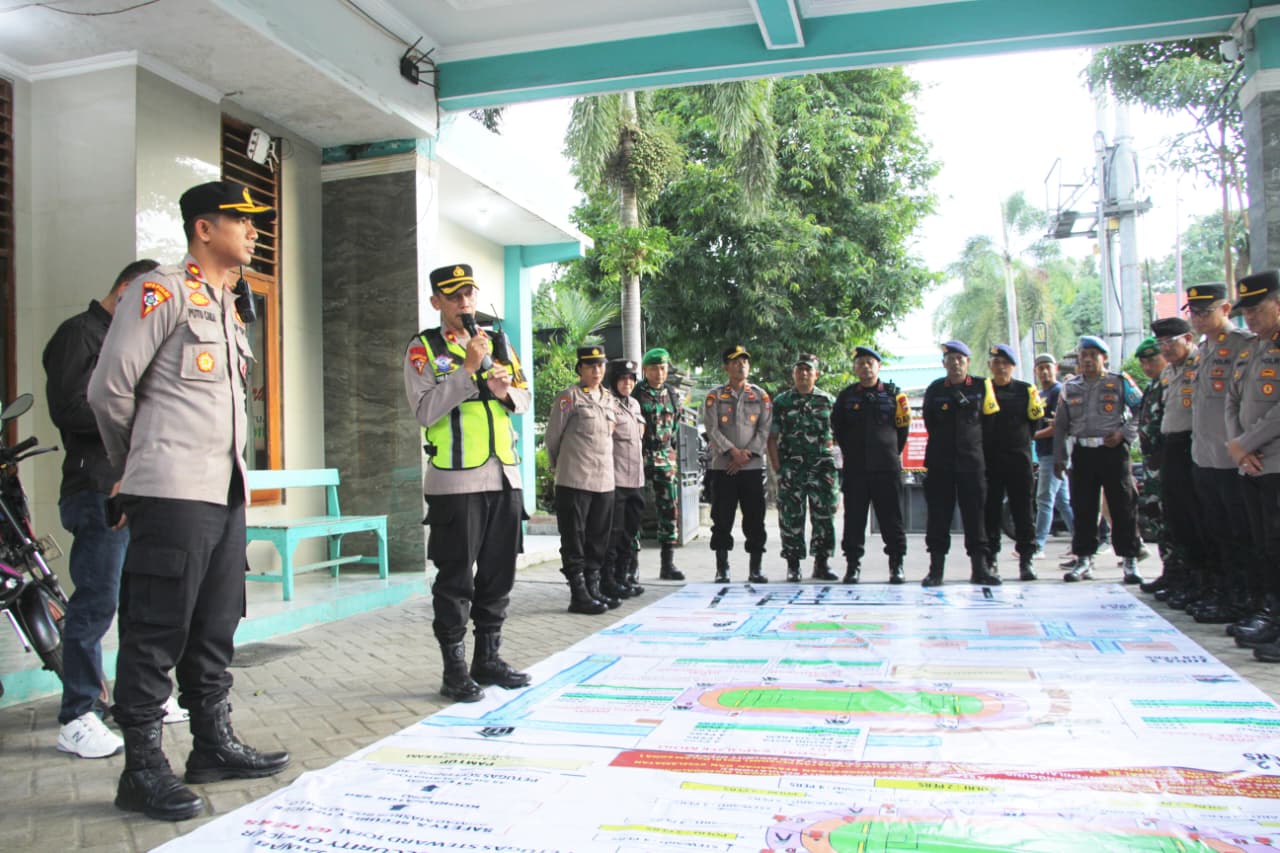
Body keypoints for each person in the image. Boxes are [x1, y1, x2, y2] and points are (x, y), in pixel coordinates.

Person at [87, 181, 289, 821]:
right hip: (170, 491)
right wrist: (134, 467)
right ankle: (142, 768)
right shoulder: (163, 291)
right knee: (154, 631)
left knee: (215, 625)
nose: (254, 231)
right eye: (243, 220)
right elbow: (108, 391)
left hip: (222, 492)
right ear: (204, 229)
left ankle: (212, 745)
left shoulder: (229, 307)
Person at [44, 259, 157, 760]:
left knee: (137, 599)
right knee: (95, 603)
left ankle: (132, 700)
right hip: (94, 488)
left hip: (133, 486)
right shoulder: (79, 334)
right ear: (127, 289)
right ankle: (77, 714)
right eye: (148, 299)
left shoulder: (126, 337)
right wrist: (130, 404)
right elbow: (68, 408)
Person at [405, 263, 533, 705]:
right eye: (454, 296)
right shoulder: (425, 348)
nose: (464, 303)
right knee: (456, 577)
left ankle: (488, 658)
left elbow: (523, 396)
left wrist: (502, 390)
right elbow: (423, 411)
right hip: (455, 481)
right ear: (436, 301)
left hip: (504, 475)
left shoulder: (499, 341)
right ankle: (454, 669)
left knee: (499, 574)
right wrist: (468, 371)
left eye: (469, 295)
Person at [1183, 282, 1258, 622]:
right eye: (1193, 313)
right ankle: (1225, 592)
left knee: (1240, 533)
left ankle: (1245, 597)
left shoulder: (1245, 346)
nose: (1198, 319)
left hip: (1233, 460)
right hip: (1204, 456)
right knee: (1214, 530)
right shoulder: (1201, 350)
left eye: (1205, 312)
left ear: (1226, 310)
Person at [1052, 335, 1143, 583]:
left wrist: (1124, 434)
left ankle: (1130, 560)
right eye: (1084, 356)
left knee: (1122, 506)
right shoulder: (1070, 388)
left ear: (1104, 358)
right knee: (1083, 507)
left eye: (1093, 355)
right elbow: (1061, 425)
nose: (1088, 360)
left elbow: (1141, 408)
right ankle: (1083, 559)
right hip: (1083, 453)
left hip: (1113, 451)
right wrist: (1060, 457)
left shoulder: (1119, 382)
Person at [1223, 271, 1280, 662]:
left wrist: (1246, 442)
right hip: (1252, 465)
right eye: (1247, 313)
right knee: (1265, 548)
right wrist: (1236, 445)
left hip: (1274, 461)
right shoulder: (1251, 350)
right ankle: (1273, 617)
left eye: (1258, 310)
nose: (1251, 319)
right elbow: (1231, 402)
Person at [920, 340, 1000, 587]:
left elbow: (990, 426)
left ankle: (980, 568)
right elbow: (929, 422)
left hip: (972, 464)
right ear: (944, 363)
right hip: (940, 464)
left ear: (968, 362)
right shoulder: (935, 389)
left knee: (976, 517)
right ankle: (936, 570)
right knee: (938, 517)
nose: (955, 363)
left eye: (960, 359)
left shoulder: (982, 386)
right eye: (950, 359)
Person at [546, 346, 617, 614]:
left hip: (604, 480)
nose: (596, 371)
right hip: (575, 479)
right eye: (590, 366)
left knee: (598, 537)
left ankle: (594, 588)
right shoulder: (569, 397)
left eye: (600, 365)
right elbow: (553, 437)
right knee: (574, 537)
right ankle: (578, 594)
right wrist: (558, 468)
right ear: (580, 369)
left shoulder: (609, 398)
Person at [830, 346, 910, 584]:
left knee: (891, 518)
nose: (865, 367)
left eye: (870, 362)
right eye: (861, 363)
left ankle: (896, 564)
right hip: (856, 469)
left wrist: (888, 452)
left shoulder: (895, 395)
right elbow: (839, 429)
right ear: (855, 368)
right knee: (854, 519)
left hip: (886, 468)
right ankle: (853, 565)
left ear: (879, 366)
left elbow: (902, 431)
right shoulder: (846, 397)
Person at [1144, 319, 1206, 602]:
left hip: (1194, 446)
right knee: (1175, 518)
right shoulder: (1169, 372)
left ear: (1189, 338)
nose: (1165, 349)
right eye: (1161, 344)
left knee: (1197, 518)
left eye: (1170, 342)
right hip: (1171, 447)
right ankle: (1183, 577)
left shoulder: (1202, 363)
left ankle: (1204, 581)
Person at [768, 355, 839, 583]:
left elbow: (842, 435)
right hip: (792, 468)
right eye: (799, 370)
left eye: (808, 370)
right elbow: (772, 437)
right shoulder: (781, 402)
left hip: (822, 469)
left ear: (816, 374)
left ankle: (821, 563)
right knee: (791, 518)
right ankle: (793, 565)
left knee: (824, 516)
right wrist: (778, 467)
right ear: (793, 374)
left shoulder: (827, 400)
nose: (803, 374)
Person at [704, 345, 771, 584]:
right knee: (722, 518)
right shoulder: (715, 396)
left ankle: (756, 568)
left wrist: (746, 455)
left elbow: (764, 429)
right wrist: (732, 452)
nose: (740, 365)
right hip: (723, 468)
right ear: (726, 367)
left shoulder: (760, 395)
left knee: (755, 518)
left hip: (751, 468)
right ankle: (722, 568)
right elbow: (712, 429)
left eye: (744, 361)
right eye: (734, 362)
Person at [982, 344, 1045, 581]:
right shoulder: (983, 389)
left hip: (1019, 460)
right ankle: (991, 559)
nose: (1000, 367)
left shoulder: (1027, 390)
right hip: (990, 461)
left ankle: (1026, 559)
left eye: (1005, 363)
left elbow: (1035, 424)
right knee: (991, 512)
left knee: (1023, 512)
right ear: (990, 366)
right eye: (996, 363)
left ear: (1012, 366)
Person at [633, 348, 685, 581]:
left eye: (662, 368)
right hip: (640, 457)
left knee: (669, 510)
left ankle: (668, 563)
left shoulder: (673, 394)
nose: (659, 373)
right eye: (654, 368)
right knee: (633, 511)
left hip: (666, 458)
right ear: (645, 370)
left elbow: (675, 427)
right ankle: (631, 566)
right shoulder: (636, 394)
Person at [604, 358, 645, 600]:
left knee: (630, 532)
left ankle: (625, 576)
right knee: (614, 533)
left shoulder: (636, 405)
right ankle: (610, 579)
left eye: (631, 379)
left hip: (636, 480)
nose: (627, 383)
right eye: (622, 378)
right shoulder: (608, 404)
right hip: (616, 479)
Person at [1031, 353, 1074, 560]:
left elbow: (1058, 426)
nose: (1044, 371)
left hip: (1054, 453)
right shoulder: (1039, 394)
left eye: (1048, 367)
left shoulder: (1059, 392)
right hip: (1043, 452)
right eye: (1040, 368)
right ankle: (1083, 539)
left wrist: (1031, 436)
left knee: (1044, 499)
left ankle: (1038, 545)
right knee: (1062, 501)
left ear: (1055, 368)